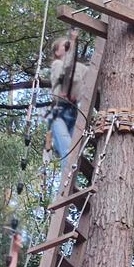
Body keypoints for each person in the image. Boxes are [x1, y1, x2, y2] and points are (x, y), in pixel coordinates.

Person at [48, 30, 88, 170]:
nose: (68, 48)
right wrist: (72, 40)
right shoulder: (57, 64)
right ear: (57, 53)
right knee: (68, 150)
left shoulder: (80, 68)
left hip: (73, 111)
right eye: (65, 46)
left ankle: (58, 147)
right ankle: (66, 188)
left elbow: (91, 78)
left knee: (74, 151)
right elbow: (66, 75)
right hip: (59, 111)